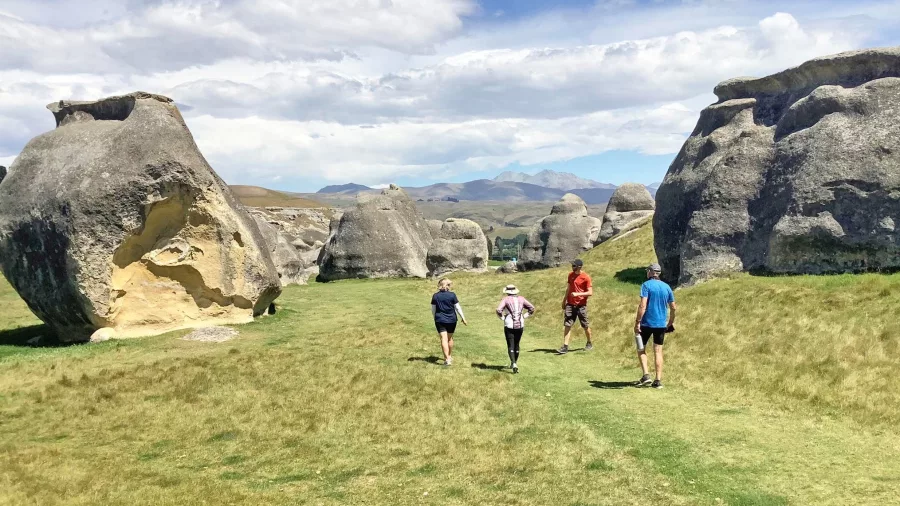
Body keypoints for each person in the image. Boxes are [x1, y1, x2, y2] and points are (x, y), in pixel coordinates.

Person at [633, 263, 676, 389]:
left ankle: (646, 375)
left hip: (646, 323)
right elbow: (673, 307)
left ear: (651, 272)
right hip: (661, 324)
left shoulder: (646, 285)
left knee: (641, 348)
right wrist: (670, 322)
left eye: (648, 271)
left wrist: (637, 322)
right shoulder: (667, 287)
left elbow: (643, 305)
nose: (647, 272)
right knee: (658, 351)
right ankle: (658, 380)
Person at [496, 284, 536, 373]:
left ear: (507, 292)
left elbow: (498, 310)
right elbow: (532, 308)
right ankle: (515, 363)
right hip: (520, 324)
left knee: (510, 344)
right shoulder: (521, 299)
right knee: (517, 344)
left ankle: (513, 363)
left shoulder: (505, 299)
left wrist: (502, 318)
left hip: (509, 324)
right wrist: (525, 316)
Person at [557, 258, 593, 354]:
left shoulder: (586, 277)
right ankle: (565, 346)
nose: (572, 267)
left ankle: (589, 342)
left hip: (581, 306)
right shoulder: (570, 275)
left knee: (585, 325)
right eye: (572, 265)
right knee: (567, 324)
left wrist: (578, 294)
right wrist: (564, 300)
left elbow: (590, 292)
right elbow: (568, 288)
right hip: (570, 304)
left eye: (574, 266)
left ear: (579, 267)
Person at [431, 278, 467, 366]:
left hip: (439, 319)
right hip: (452, 320)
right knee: (449, 338)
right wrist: (463, 318)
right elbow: (458, 307)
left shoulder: (435, 296)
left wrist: (435, 317)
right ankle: (449, 356)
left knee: (443, 338)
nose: (450, 286)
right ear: (446, 286)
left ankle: (447, 359)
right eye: (449, 285)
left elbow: (433, 309)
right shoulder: (452, 295)